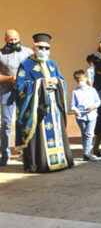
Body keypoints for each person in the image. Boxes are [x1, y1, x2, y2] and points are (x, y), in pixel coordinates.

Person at [15, 33, 74, 173]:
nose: (44, 50)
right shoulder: (26, 64)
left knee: (57, 132)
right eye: (41, 47)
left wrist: (57, 82)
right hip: (38, 107)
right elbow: (21, 86)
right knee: (40, 136)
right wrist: (41, 83)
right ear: (34, 48)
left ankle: (60, 161)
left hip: (53, 106)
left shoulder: (52, 64)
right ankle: (41, 164)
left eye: (47, 48)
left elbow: (61, 79)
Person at [0, 29, 33, 165]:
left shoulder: (28, 52)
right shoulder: (0, 54)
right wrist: (10, 78)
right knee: (6, 123)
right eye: (10, 40)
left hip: (25, 90)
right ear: (5, 40)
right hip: (7, 91)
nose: (13, 42)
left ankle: (25, 152)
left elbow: (34, 71)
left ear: (19, 38)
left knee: (24, 120)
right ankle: (5, 154)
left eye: (15, 39)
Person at [70, 70, 101, 161]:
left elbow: (98, 101)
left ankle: (87, 153)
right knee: (84, 134)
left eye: (82, 80)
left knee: (89, 133)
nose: (80, 82)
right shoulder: (75, 92)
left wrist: (93, 106)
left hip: (92, 115)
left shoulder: (92, 90)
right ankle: (86, 152)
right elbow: (72, 104)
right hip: (81, 116)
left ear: (86, 79)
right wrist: (75, 109)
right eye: (78, 80)